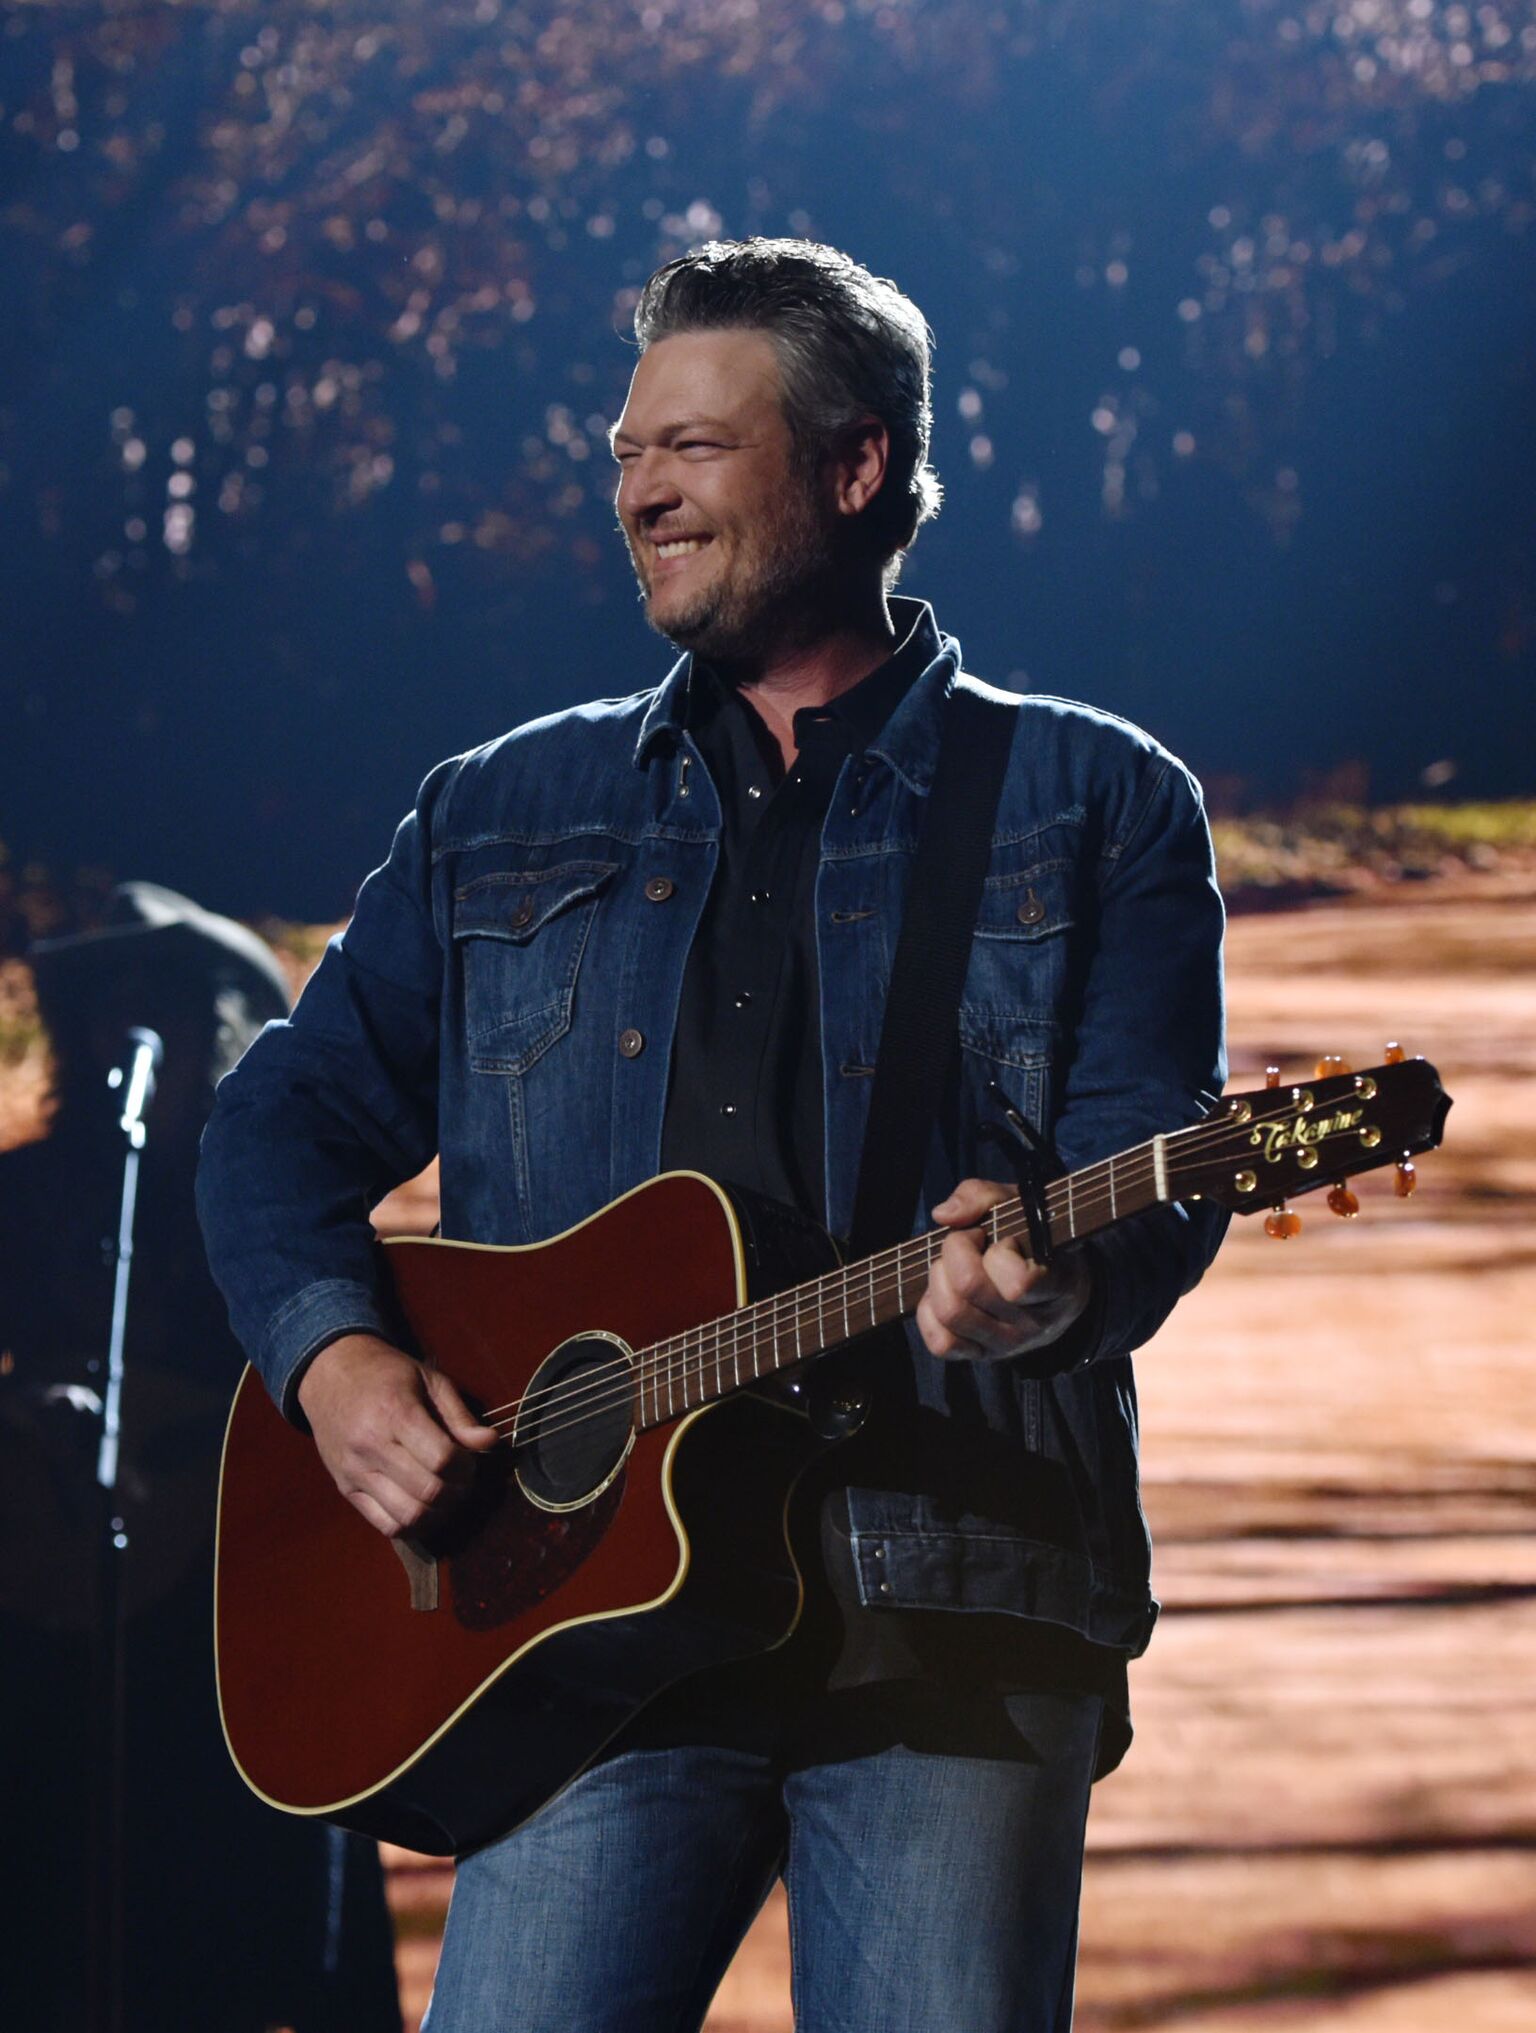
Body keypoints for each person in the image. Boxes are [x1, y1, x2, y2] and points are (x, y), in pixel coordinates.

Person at [197, 239, 1228, 2031]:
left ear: (852, 465)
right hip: (578, 1621)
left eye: (692, 446)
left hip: (950, 1611)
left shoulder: (1094, 799)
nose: (639, 493)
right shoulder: (499, 809)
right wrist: (337, 1360)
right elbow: (275, 1125)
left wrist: (1044, 1291)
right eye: (625, 451)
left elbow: (1148, 1163)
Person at [0, 884, 402, 2033]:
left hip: (226, 1593)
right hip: (45, 1596)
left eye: (153, 994)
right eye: (100, 995)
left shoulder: (273, 1208)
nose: (125, 1020)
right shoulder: (32, 1188)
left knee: (218, 1912)